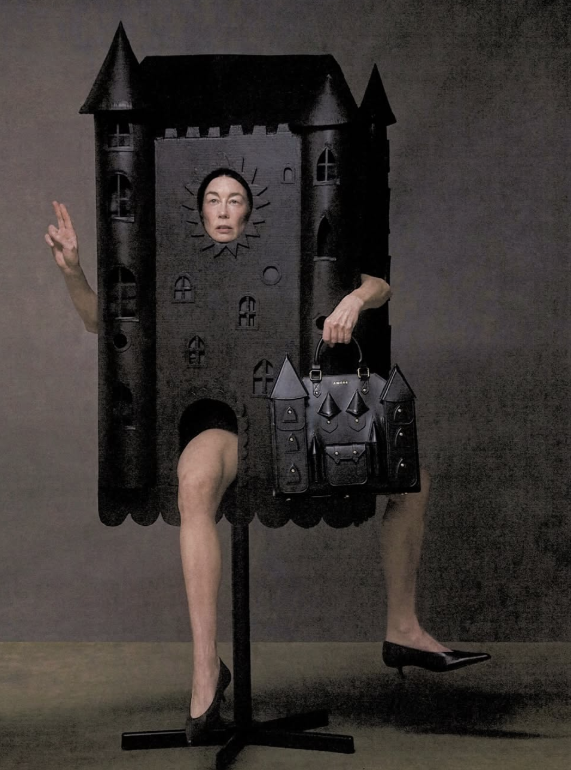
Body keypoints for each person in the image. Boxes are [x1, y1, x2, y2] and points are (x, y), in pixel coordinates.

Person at [45, 169, 489, 743]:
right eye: (212, 199)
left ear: (251, 212)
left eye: (235, 200)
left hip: (290, 419)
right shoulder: (171, 264)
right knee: (194, 480)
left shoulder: (290, 252)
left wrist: (353, 299)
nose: (223, 209)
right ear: (199, 212)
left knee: (414, 480)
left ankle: (402, 627)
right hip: (223, 424)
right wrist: (73, 270)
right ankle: (206, 670)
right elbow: (98, 320)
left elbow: (380, 285)